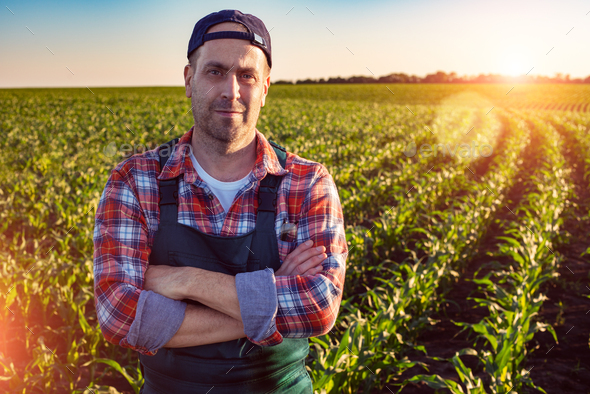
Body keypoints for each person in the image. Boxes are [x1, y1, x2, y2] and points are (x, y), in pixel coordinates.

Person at [93, 9, 348, 394]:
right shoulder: (134, 181)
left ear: (264, 87)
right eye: (215, 71)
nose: (231, 90)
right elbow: (119, 315)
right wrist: (274, 293)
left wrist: (181, 281)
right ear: (188, 79)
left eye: (246, 75)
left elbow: (319, 307)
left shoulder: (307, 184)